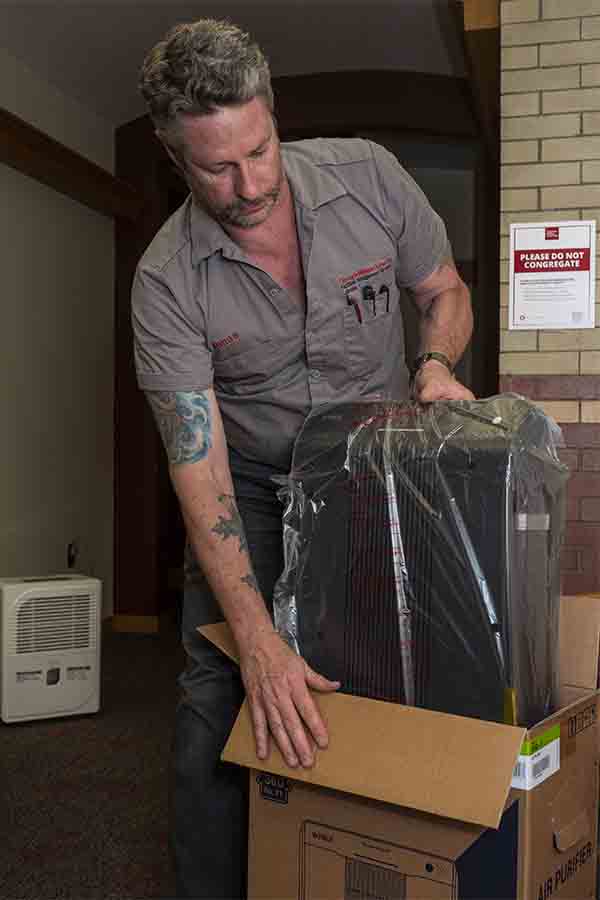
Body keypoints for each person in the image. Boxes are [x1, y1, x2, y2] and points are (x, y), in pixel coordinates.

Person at [133, 17, 474, 899]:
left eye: (259, 150)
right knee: (220, 689)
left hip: (374, 471)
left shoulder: (367, 175)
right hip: (247, 485)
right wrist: (255, 639)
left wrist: (434, 366)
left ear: (274, 115)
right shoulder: (166, 281)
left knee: (394, 664)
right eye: (217, 167)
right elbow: (195, 461)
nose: (248, 185)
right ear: (176, 160)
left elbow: (443, 292)